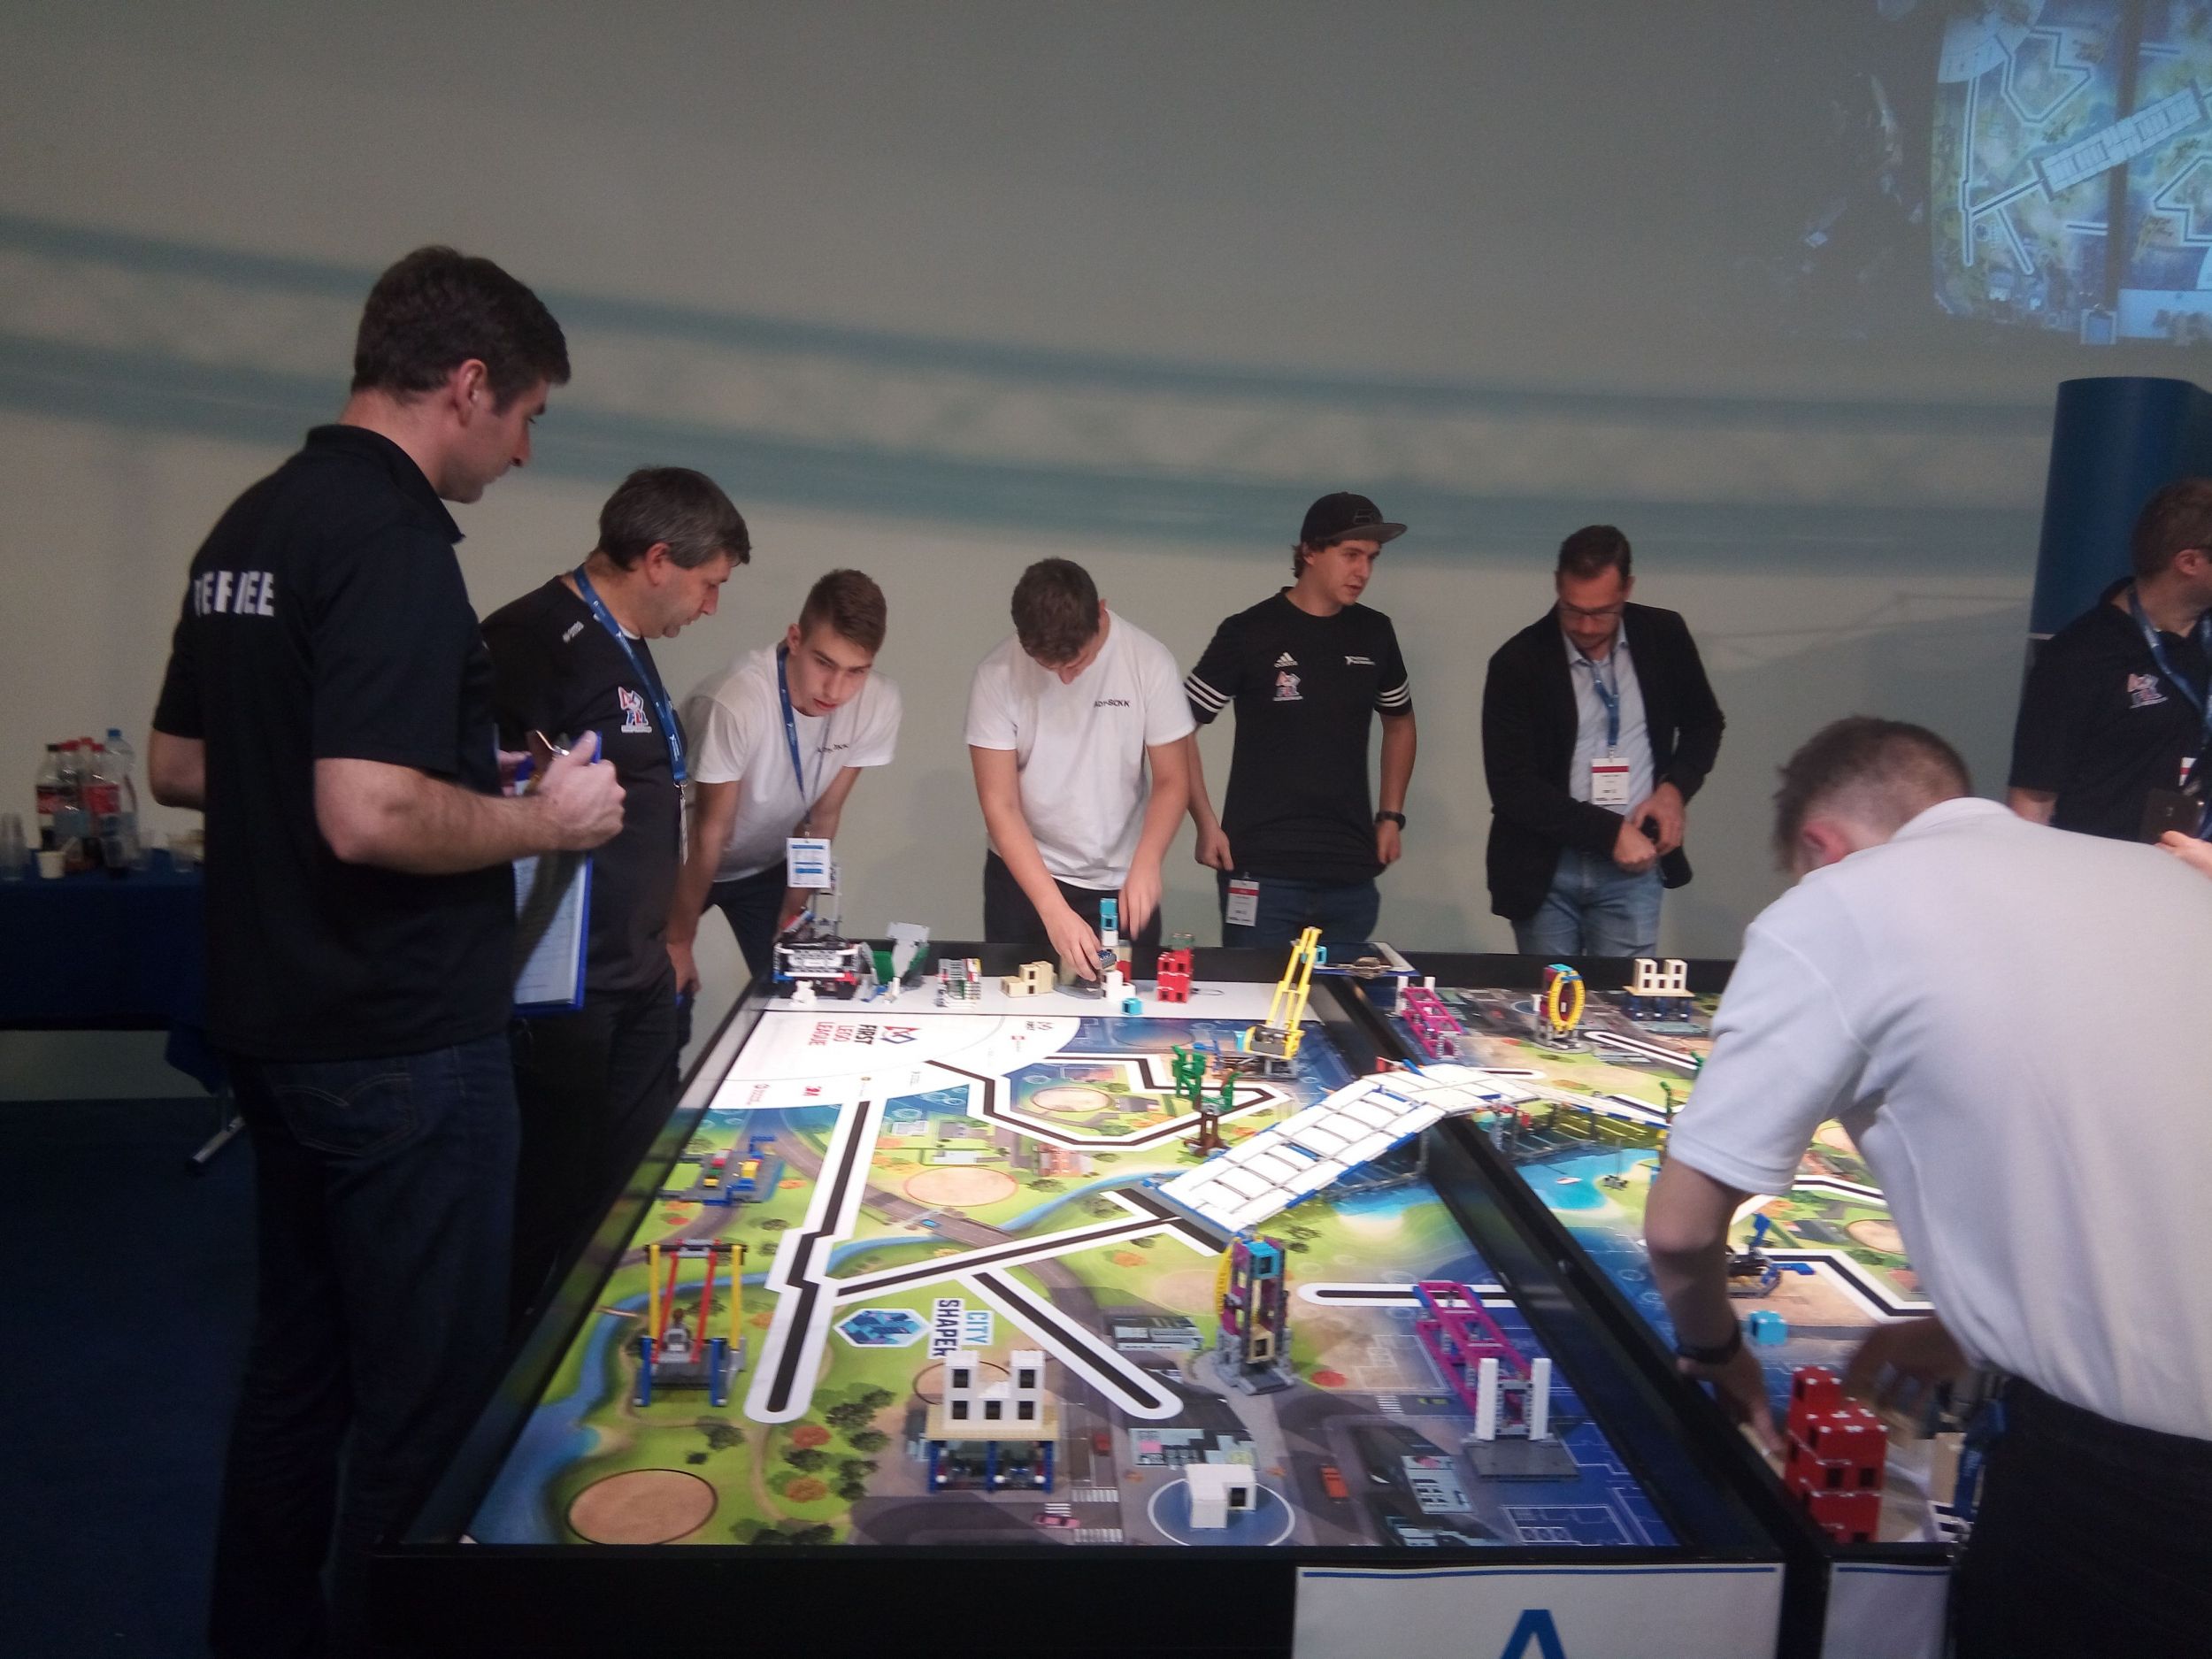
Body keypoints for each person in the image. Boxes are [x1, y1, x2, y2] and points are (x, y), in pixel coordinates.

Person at [145, 247, 623, 1658]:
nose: (524, 451)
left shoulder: (255, 521)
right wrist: (544, 817)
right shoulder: (398, 540)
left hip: (275, 1023)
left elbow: (184, 760)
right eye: (526, 416)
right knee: (425, 1408)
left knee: (298, 1375)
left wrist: (446, 769)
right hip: (402, 1038)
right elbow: (363, 811)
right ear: (468, 384)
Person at [1644, 717, 2212, 1658]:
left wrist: (1717, 1352)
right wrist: (1975, 1326)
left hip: (2136, 1501)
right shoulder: (2171, 879)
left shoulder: (1844, 902)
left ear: (1821, 847)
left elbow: (1679, 1229)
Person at [482, 466, 749, 1318]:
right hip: (565, 991)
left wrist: (671, 940)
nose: (711, 607)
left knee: (632, 1190)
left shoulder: (628, 646)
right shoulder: (531, 638)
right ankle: (509, 1363)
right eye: (709, 584)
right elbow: (484, 800)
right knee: (548, 1197)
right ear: (660, 560)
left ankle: (604, 1343)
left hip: (635, 975)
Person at [1182, 492, 1417, 952]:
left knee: (1343, 998)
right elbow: (1175, 729)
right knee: (1255, 995)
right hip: (1260, 869)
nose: (1363, 571)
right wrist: (1204, 821)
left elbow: (1400, 722)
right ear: (1310, 551)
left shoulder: (1375, 632)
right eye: (1351, 555)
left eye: (1371, 558)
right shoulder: (1249, 631)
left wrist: (1391, 816)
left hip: (1350, 871)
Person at [1480, 525, 1724, 956]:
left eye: (1603, 612)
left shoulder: (1663, 636)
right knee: (1552, 994)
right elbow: (1512, 785)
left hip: (1634, 863)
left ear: (1627, 589)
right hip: (1546, 867)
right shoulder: (1518, 662)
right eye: (1573, 610)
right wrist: (1608, 832)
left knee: (1623, 995)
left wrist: (1673, 791)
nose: (1587, 626)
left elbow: (1704, 723)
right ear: (1557, 585)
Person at [668, 569, 902, 986]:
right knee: (668, 988)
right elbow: (710, 833)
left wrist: (792, 914)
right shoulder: (735, 701)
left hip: (765, 865)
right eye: (824, 663)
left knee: (793, 982)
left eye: (856, 671)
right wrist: (679, 942)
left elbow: (823, 816)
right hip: (681, 861)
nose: (835, 690)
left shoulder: (879, 703)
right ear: (795, 639)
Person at [966, 557, 1191, 976]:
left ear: (1101, 612)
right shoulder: (996, 674)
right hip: (1026, 875)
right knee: (1021, 998)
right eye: (1049, 668)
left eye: (1077, 663)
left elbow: (1173, 779)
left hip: (1122, 876)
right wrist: (1052, 909)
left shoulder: (1147, 661)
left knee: (1126, 994)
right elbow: (1000, 804)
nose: (1066, 680)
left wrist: (1148, 860)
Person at [2008, 477, 2212, 844]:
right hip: (2105, 865)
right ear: (2189, 562)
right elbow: (2034, 798)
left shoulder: (2205, 638)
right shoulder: (2080, 657)